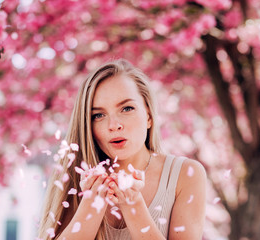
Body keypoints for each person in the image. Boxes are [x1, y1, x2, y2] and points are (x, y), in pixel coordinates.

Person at [37, 59, 206, 240]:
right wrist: (91, 206)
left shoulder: (185, 175)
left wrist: (133, 206)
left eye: (127, 108)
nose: (114, 125)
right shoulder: (73, 175)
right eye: (99, 115)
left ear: (149, 115)